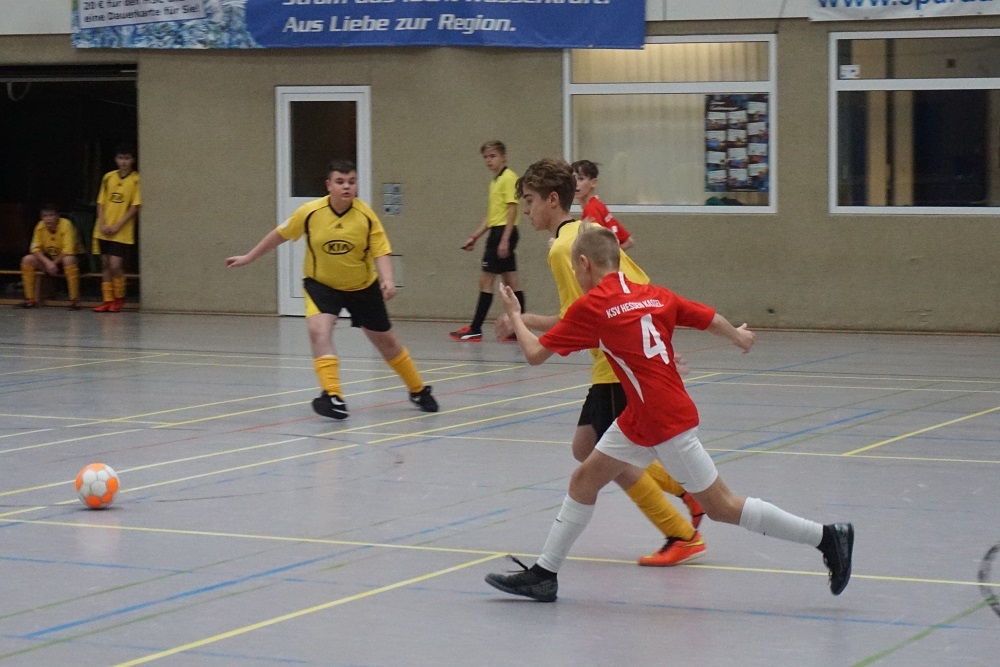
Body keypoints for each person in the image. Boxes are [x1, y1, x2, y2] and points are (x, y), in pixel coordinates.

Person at [485, 222, 854, 602]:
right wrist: (738, 336)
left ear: (583, 264)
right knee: (584, 480)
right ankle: (544, 574)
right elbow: (706, 317)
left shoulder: (592, 306)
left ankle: (827, 537)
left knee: (722, 506)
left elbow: (534, 354)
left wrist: (515, 315)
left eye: (575, 269)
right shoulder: (653, 295)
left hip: (662, 421)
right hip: (640, 417)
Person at [494, 158, 705, 567]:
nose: (526, 210)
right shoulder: (590, 234)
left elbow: (576, 323)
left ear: (552, 200)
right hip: (614, 362)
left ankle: (681, 533)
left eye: (530, 201)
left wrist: (519, 320)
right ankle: (688, 492)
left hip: (615, 366)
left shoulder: (564, 249)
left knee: (610, 460)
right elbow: (639, 289)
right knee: (586, 447)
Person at [226, 158, 438, 419]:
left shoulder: (366, 216)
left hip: (362, 287)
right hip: (322, 286)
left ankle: (417, 390)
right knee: (318, 331)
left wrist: (388, 279)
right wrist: (249, 257)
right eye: (340, 182)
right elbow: (279, 234)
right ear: (328, 185)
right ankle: (333, 396)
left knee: (387, 342)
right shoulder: (309, 212)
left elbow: (381, 251)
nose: (346, 187)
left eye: (351, 182)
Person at [449, 140, 525, 342]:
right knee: (511, 282)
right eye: (486, 157)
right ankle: (519, 330)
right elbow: (492, 216)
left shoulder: (509, 178)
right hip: (498, 231)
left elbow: (512, 209)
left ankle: (475, 328)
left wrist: (505, 239)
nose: (489, 161)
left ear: (503, 157)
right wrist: (475, 236)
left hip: (503, 233)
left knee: (486, 281)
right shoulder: (494, 182)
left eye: (493, 156)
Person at [92, 144, 141, 313]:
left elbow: (135, 206)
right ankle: (107, 300)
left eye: (127, 158)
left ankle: (119, 298)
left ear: (133, 160)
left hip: (121, 232)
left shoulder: (136, 179)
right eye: (120, 158)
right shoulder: (108, 177)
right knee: (105, 264)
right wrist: (102, 223)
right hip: (103, 229)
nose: (123, 162)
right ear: (115, 159)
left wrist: (118, 225)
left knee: (115, 265)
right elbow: (101, 202)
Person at [17, 204, 81, 309]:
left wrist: (53, 263)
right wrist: (48, 263)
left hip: (69, 260)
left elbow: (68, 250)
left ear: (57, 216)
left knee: (68, 259)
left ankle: (74, 300)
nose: (48, 219)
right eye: (45, 216)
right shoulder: (40, 226)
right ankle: (30, 299)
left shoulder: (66, 224)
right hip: (50, 261)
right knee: (27, 259)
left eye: (51, 215)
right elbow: (34, 249)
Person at [571, 159, 635, 251]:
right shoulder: (600, 206)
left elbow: (596, 245)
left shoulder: (591, 209)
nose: (576, 183)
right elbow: (629, 241)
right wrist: (614, 255)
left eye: (581, 178)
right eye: (573, 178)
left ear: (593, 182)